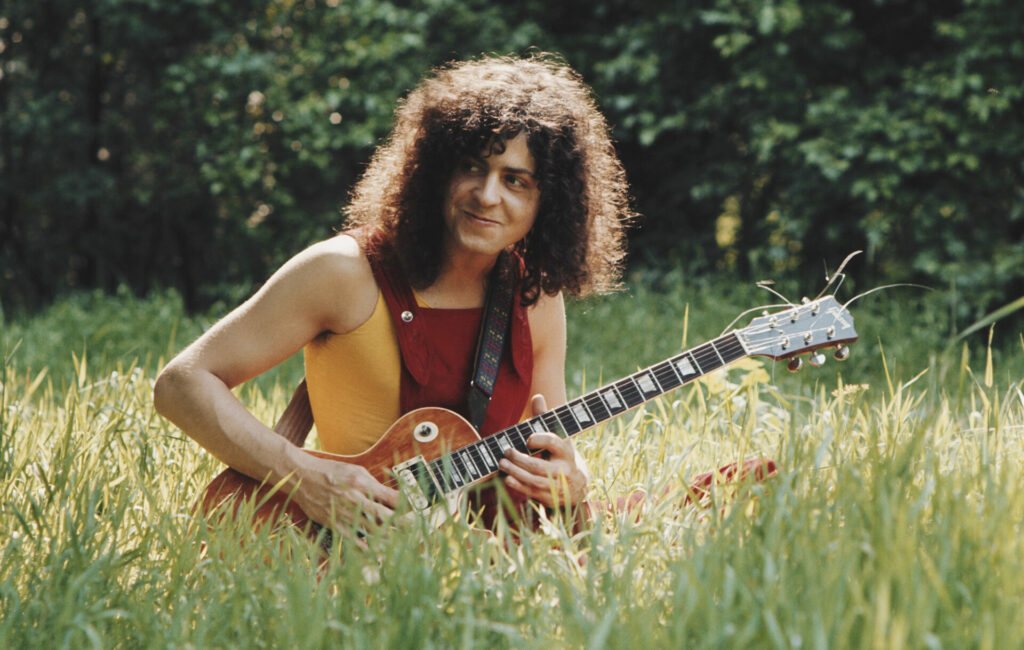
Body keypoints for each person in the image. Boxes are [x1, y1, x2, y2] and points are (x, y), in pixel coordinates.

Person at [153, 54, 634, 536]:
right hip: (356, 549)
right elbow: (182, 384)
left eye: (515, 180)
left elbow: (550, 441)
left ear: (547, 203)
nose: (487, 195)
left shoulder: (536, 293)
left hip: (504, 561)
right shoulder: (343, 270)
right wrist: (304, 477)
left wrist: (575, 478)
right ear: (434, 171)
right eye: (472, 166)